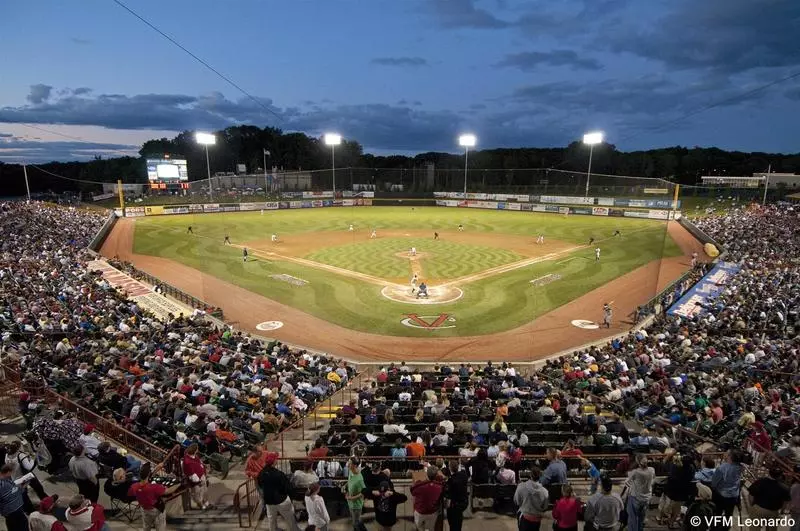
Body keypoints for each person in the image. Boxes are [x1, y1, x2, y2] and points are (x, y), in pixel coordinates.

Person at [258, 452, 300, 531]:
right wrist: (292, 496)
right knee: (290, 519)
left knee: (271, 520)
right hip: (281, 500)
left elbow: (260, 485)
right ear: (274, 462)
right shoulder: (279, 474)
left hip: (269, 501)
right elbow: (287, 487)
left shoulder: (261, 473)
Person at [128, 464, 173, 531]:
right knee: (160, 527)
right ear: (148, 475)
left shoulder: (134, 486)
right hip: (156, 510)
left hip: (144, 509)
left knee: (146, 527)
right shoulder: (154, 487)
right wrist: (179, 484)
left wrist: (156, 469)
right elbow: (168, 491)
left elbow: (131, 492)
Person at [4, 440, 47, 506]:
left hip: (15, 478)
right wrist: (32, 458)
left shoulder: (7, 455)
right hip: (26, 476)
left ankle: (29, 508)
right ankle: (45, 501)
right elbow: (29, 467)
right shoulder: (20, 455)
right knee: (38, 488)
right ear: (18, 448)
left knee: (24, 495)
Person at [710, 450, 742, 531]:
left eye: (727, 454)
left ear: (730, 457)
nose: (725, 454)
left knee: (718, 512)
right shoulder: (739, 467)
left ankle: (715, 528)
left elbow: (714, 483)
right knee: (728, 514)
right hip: (733, 495)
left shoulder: (722, 468)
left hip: (721, 495)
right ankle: (725, 528)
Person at [624, 454, 655, 531]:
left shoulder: (635, 472)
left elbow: (627, 482)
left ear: (637, 462)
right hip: (646, 498)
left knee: (633, 519)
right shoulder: (652, 470)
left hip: (636, 498)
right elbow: (653, 480)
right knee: (641, 518)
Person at [514, 466, 549, 531]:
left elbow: (516, 501)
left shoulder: (521, 486)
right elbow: (545, 507)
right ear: (540, 476)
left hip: (524, 516)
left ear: (530, 475)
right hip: (537, 518)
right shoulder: (545, 492)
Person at [410, 465, 444, 531]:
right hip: (432, 511)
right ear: (436, 476)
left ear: (427, 474)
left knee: (419, 526)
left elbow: (412, 491)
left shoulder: (420, 485)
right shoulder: (440, 486)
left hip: (420, 511)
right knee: (431, 528)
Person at [0, 463, 28, 531]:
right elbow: (10, 493)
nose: (11, 474)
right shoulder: (2, 484)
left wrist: (21, 487)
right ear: (8, 472)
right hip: (12, 512)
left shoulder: (6, 479)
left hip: (16, 511)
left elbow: (13, 490)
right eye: (11, 472)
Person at [182, 444, 210, 510]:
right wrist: (198, 481)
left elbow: (199, 463)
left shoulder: (195, 457)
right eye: (197, 449)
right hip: (196, 480)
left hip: (201, 476)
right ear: (194, 450)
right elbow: (190, 472)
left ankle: (206, 503)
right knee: (197, 493)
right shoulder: (187, 461)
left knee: (204, 490)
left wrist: (204, 468)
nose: (197, 450)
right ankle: (201, 505)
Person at [445, 460, 469, 531]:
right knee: (458, 521)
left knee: (453, 522)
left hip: (455, 505)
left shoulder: (451, 480)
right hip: (464, 501)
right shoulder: (464, 475)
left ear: (450, 468)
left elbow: (448, 493)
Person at [345, 458, 366, 531]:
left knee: (355, 523)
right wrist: (346, 486)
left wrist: (351, 498)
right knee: (356, 520)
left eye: (350, 463)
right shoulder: (351, 471)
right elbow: (349, 481)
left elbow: (363, 493)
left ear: (355, 465)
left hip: (356, 506)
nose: (348, 464)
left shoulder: (360, 479)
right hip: (350, 503)